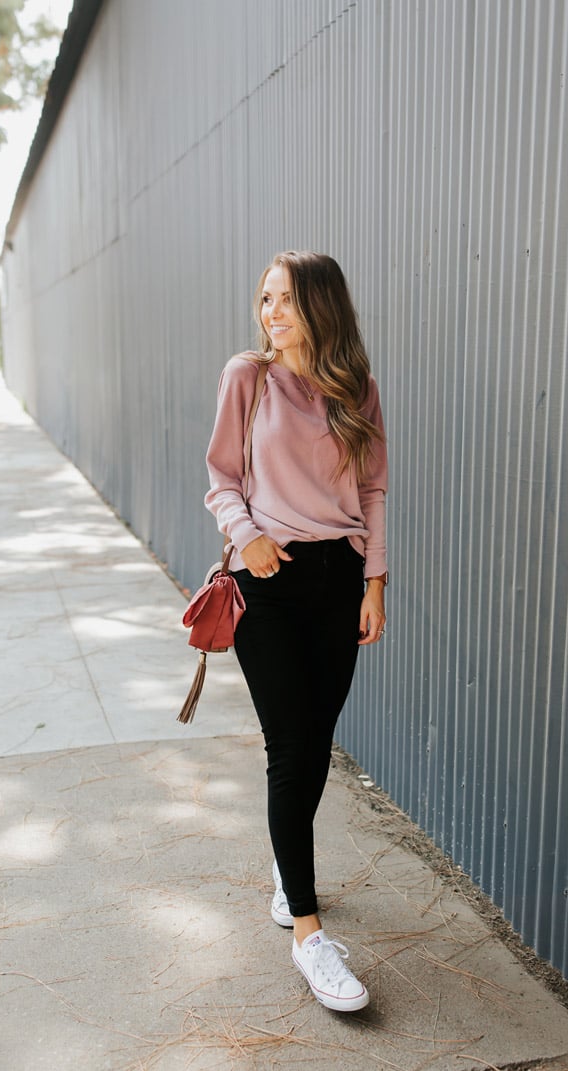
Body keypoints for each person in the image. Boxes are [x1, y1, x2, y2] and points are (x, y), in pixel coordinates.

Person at [205, 251, 388, 1012]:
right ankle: (309, 935)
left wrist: (374, 582)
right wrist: (245, 535)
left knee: (316, 742)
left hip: (339, 580)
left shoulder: (357, 387)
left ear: (320, 306)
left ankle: (288, 866)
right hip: (269, 580)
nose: (270, 313)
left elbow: (373, 489)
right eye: (265, 299)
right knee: (289, 746)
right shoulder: (247, 377)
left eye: (284, 300)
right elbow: (221, 476)